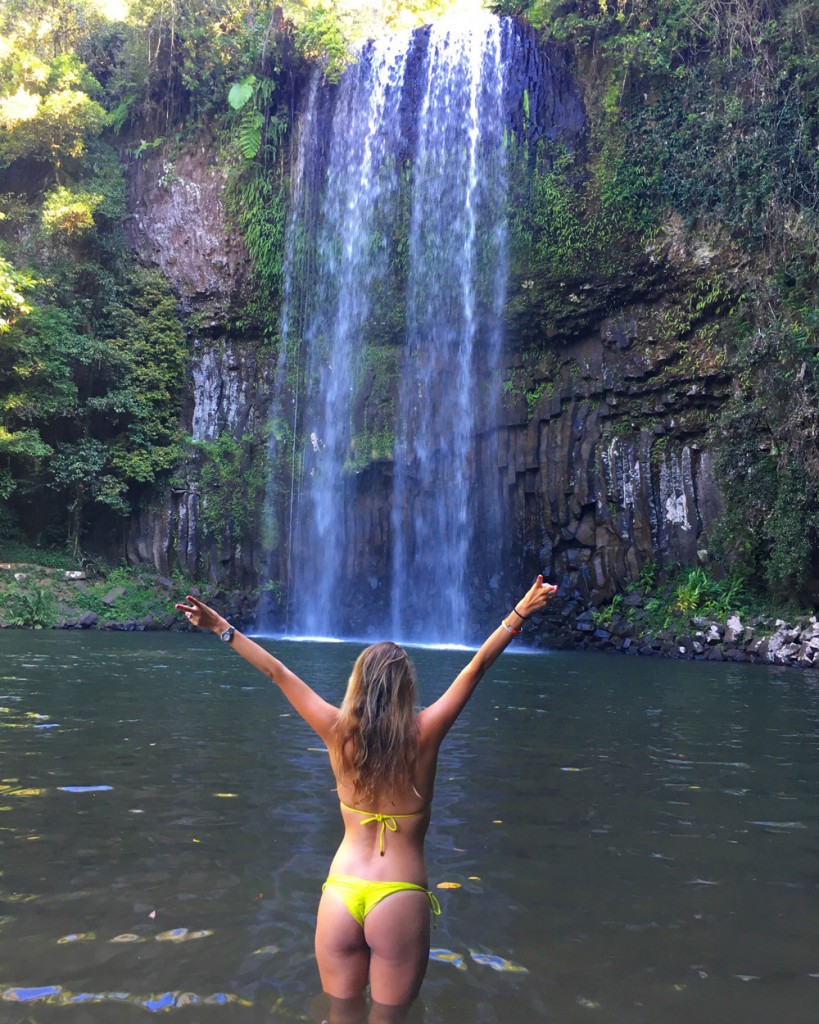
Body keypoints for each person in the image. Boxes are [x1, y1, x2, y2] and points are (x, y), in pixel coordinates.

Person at [175, 576, 557, 1024]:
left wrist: (222, 627)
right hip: (398, 895)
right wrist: (520, 613)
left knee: (341, 1015)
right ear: (406, 687)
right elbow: (475, 669)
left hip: (340, 893)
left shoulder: (336, 731)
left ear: (357, 682)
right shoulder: (425, 732)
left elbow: (277, 673)